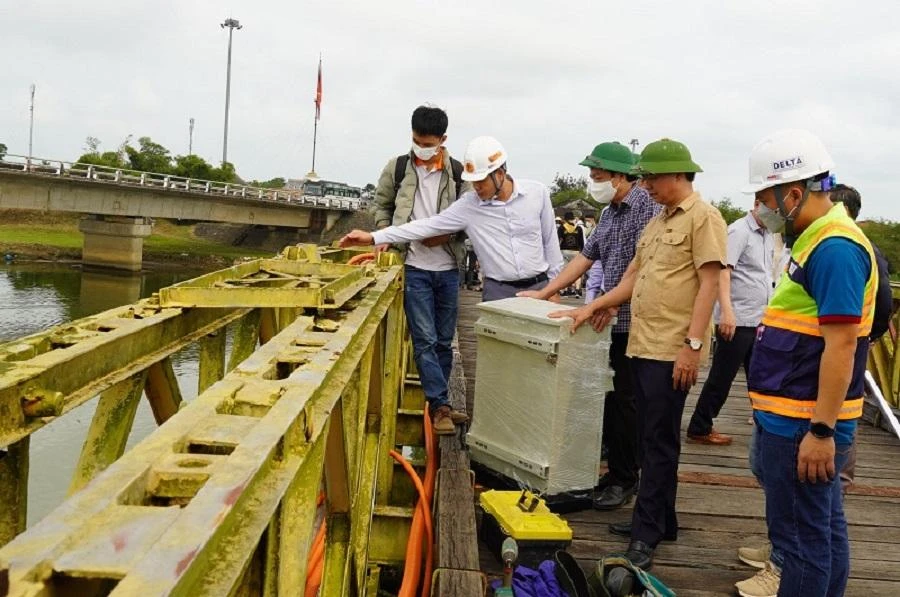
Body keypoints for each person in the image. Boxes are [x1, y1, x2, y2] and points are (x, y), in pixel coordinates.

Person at [550, 138, 726, 570]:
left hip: (671, 348)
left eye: (651, 177)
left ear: (677, 175)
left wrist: (694, 344)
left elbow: (709, 284)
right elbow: (633, 275)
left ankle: (646, 532)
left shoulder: (704, 218)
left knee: (659, 441)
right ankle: (662, 520)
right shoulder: (660, 220)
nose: (646, 184)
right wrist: (593, 305)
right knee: (652, 437)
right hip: (642, 342)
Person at [738, 130, 876, 597]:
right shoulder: (816, 239)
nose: (761, 209)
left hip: (804, 420)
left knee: (800, 543)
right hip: (792, 413)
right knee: (823, 532)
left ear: (793, 194)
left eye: (764, 198)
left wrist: (821, 432)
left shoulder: (835, 249)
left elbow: (842, 347)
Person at [520, 141, 660, 512]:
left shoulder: (648, 210)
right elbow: (584, 258)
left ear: (619, 176)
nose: (592, 182)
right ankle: (616, 471)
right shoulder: (610, 212)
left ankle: (626, 479)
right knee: (610, 399)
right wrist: (545, 291)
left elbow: (648, 269)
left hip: (635, 321)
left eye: (598, 177)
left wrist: (610, 303)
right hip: (607, 318)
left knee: (628, 403)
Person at [341, 134, 564, 305]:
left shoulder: (538, 193)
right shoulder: (469, 206)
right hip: (498, 291)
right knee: (496, 362)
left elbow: (551, 245)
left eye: (480, 181)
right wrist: (373, 237)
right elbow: (425, 226)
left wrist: (554, 290)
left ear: (500, 173)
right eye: (473, 181)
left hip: (541, 286)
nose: (475, 187)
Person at [370, 104, 470, 435]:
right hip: (413, 265)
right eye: (417, 141)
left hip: (448, 266)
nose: (422, 148)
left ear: (442, 140)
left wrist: (448, 234)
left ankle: (439, 403)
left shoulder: (456, 172)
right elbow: (381, 204)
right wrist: (385, 233)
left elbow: (472, 216)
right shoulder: (398, 167)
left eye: (428, 143)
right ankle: (440, 406)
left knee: (443, 340)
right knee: (425, 339)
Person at [685, 199, 774, 446]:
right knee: (722, 376)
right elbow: (724, 271)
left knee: (760, 375)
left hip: (759, 317)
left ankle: (766, 426)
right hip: (738, 317)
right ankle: (700, 425)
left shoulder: (766, 235)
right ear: (757, 204)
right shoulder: (739, 230)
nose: (776, 215)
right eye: (773, 210)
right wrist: (727, 311)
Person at [558, 211, 585, 296]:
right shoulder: (579, 228)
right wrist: (582, 252)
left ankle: (564, 290)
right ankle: (577, 290)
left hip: (564, 251)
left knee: (564, 271)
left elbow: (558, 240)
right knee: (576, 271)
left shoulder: (562, 228)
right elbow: (582, 242)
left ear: (565, 219)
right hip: (576, 251)